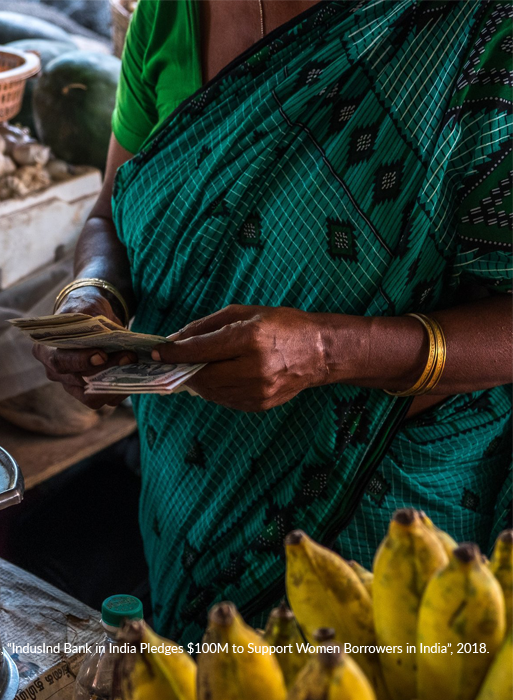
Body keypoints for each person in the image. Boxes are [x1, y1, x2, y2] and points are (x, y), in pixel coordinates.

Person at [33, 0, 512, 643]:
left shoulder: (476, 35)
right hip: (191, 487)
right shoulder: (169, 14)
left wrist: (325, 350)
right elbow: (108, 213)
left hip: (386, 510)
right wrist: (94, 297)